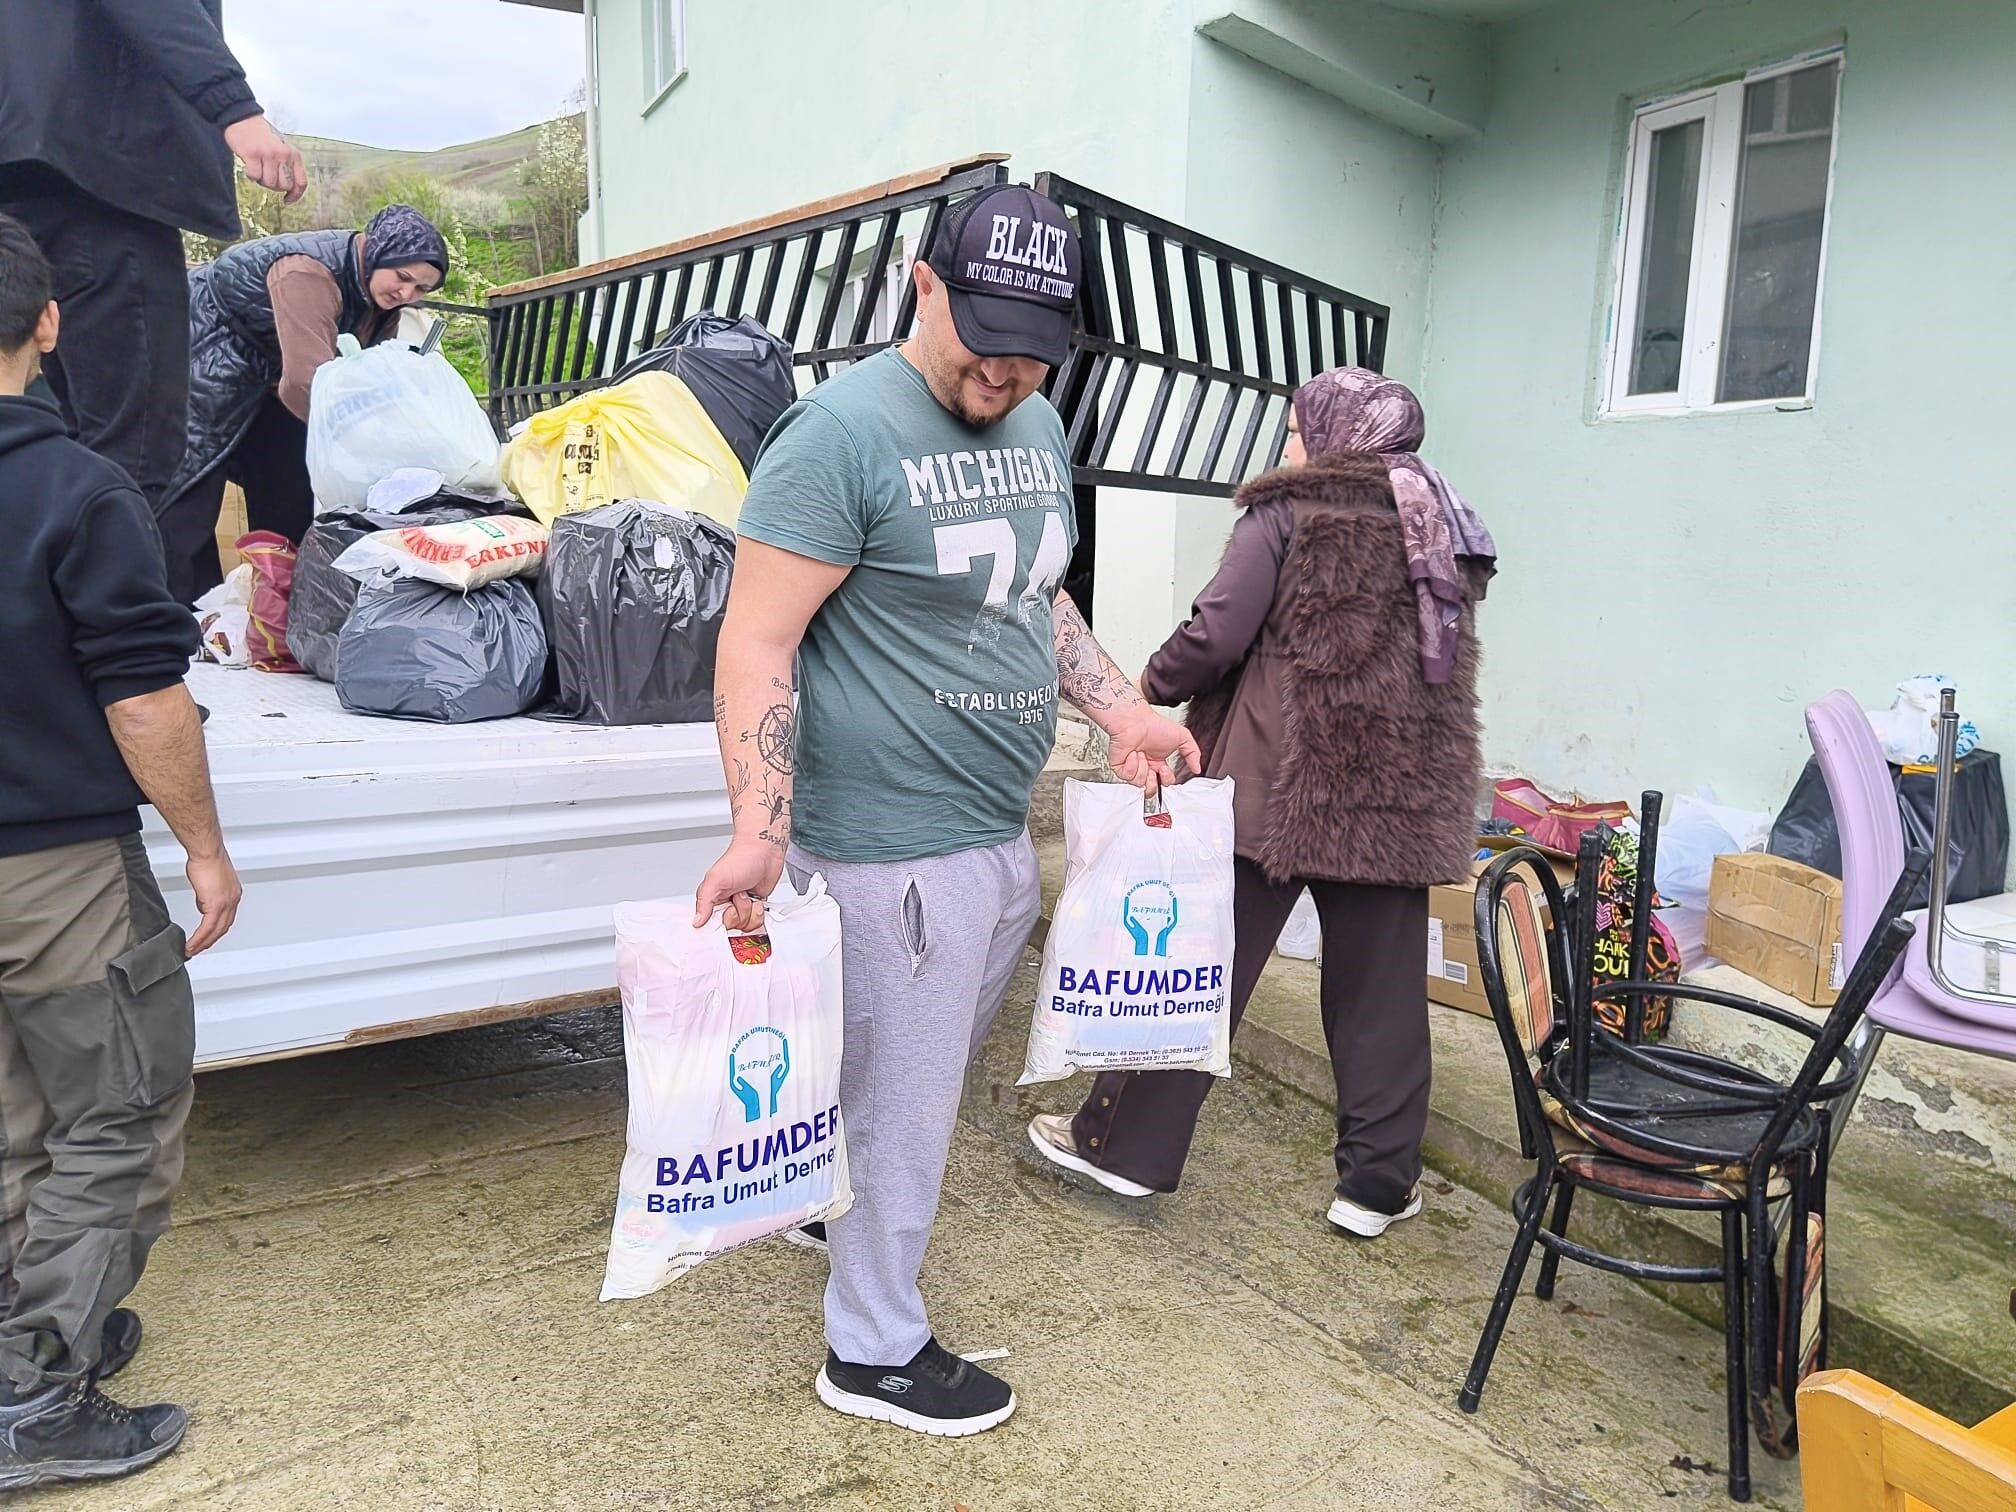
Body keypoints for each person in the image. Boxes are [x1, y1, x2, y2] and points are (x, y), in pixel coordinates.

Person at [693, 184, 1199, 1436]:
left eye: (1033, 346)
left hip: (995, 834)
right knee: (909, 1109)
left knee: (905, 1076)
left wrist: (1121, 711)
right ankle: (871, 1349)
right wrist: (760, 828)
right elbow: (757, 642)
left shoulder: (1036, 419)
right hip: (892, 852)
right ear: (924, 285)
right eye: (982, 336)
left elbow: (1035, 594)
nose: (1004, 368)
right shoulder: (839, 436)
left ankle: (831, 1200)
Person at [1028, 364, 1495, 1239]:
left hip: (1279, 785)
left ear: (1335, 435)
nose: (1288, 446)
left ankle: (1123, 1149)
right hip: (1396, 794)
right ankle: (1377, 1188)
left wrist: (1148, 688)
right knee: (1382, 1002)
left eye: (1295, 431)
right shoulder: (1443, 521)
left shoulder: (1287, 512)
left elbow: (1218, 630)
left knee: (1201, 971)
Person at [0, 216, 242, 1492]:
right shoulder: (77, 489)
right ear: (49, 324)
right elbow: (144, 697)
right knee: (118, 1117)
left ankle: (25, 1338)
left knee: (13, 1121)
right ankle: (37, 1396)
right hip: (52, 874)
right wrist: (205, 849)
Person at [0, 0, 305, 514]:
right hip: (103, 175)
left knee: (63, 435)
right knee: (138, 449)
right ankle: (115, 567)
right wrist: (235, 107)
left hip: (24, 171)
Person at [154, 203, 449, 604]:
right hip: (205, 349)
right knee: (191, 484)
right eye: (403, 277)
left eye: (421, 290)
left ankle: (278, 605)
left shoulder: (382, 301)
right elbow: (308, 383)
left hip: (270, 371)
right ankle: (178, 613)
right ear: (378, 252)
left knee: (288, 480)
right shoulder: (307, 274)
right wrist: (362, 446)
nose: (406, 294)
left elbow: (365, 376)